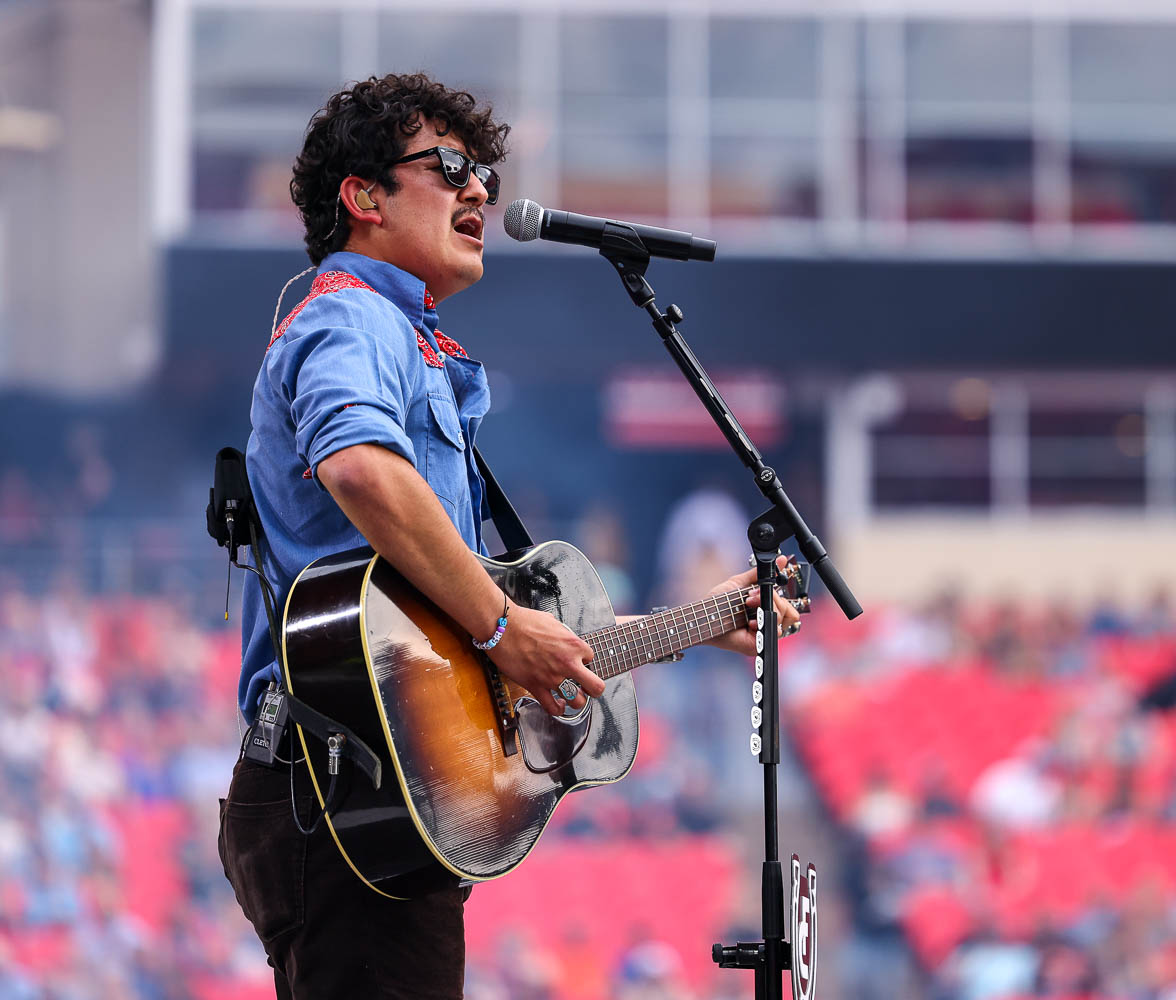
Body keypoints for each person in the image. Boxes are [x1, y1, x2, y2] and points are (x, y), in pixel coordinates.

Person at [218, 73, 800, 999]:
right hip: (338, 781)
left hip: (365, 784)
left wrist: (696, 622)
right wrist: (498, 623)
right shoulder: (351, 314)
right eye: (449, 167)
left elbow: (463, 642)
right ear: (364, 197)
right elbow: (359, 467)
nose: (481, 189)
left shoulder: (404, 339)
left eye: (482, 172)